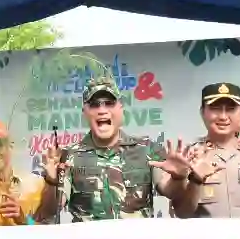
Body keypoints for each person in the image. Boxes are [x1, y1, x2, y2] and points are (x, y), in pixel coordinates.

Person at [36, 77, 194, 222]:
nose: (102, 110)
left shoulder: (147, 149)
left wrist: (179, 178)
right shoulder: (69, 156)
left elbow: (171, 192)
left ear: (120, 109)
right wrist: (51, 182)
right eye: (94, 104)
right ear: (85, 112)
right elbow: (48, 213)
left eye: (109, 103)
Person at [172, 84, 240, 219]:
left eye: (231, 109)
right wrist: (195, 181)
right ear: (202, 112)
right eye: (215, 109)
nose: (223, 116)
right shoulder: (189, 156)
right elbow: (182, 213)